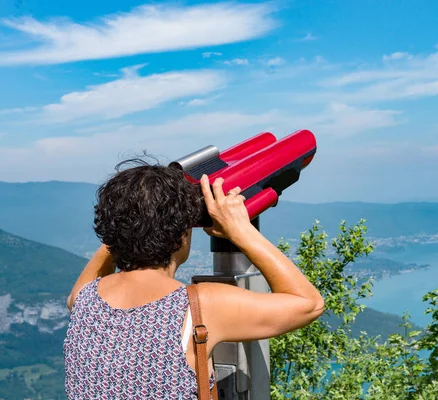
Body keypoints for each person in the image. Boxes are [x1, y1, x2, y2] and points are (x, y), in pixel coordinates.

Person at [63, 161, 325, 399]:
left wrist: (128, 223)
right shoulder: (198, 307)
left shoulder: (85, 301)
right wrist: (241, 230)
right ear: (182, 236)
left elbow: (83, 286)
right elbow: (309, 303)